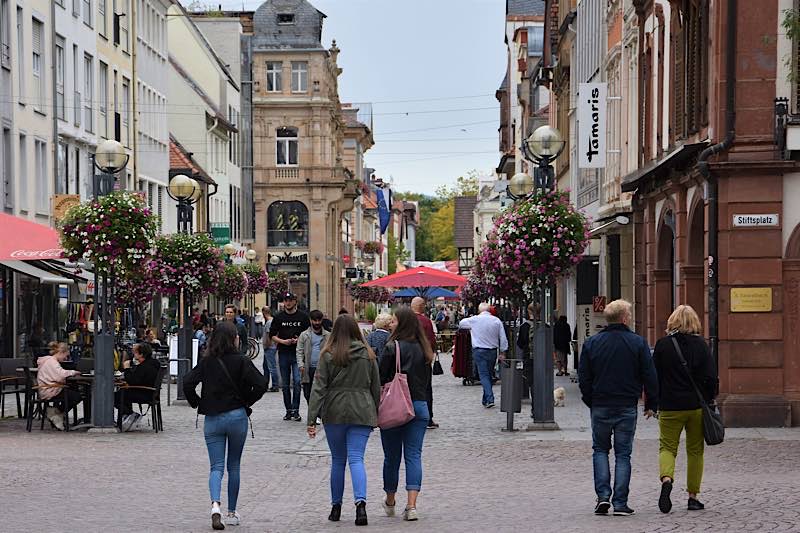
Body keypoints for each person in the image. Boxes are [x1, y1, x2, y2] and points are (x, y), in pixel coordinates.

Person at [578, 299, 659, 517]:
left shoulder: (592, 343)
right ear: (624, 317)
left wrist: (591, 400)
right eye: (630, 314)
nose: (630, 318)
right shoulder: (637, 343)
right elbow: (649, 375)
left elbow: (583, 377)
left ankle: (603, 497)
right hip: (626, 405)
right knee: (623, 454)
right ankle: (620, 502)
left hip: (601, 404)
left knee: (600, 450)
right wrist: (652, 403)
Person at [183, 321, 267, 530]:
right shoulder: (241, 361)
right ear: (234, 339)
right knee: (234, 465)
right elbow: (261, 384)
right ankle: (231, 512)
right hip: (237, 416)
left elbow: (187, 382)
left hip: (212, 418)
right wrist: (247, 400)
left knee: (216, 467)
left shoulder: (207, 361)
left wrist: (197, 402)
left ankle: (214, 506)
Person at [307, 314, 380, 526]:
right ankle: (361, 505)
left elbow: (318, 388)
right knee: (356, 458)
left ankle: (336, 507)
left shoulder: (328, 354)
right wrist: (374, 412)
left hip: (335, 410)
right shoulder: (368, 354)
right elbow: (375, 387)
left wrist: (312, 419)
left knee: (338, 460)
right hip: (362, 408)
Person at [652, 305, 717, 514]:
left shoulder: (662, 345)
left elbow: (654, 378)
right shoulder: (702, 346)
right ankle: (692, 497)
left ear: (673, 321)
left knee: (667, 448)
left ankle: (667, 479)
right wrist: (709, 399)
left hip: (670, 406)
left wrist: (653, 403)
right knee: (695, 451)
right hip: (696, 406)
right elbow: (711, 378)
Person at [379, 307, 434, 522]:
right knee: (414, 456)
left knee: (391, 457)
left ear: (401, 324)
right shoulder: (424, 349)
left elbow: (382, 377)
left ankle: (391, 501)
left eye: (393, 321)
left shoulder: (393, 347)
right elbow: (426, 381)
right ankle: (411, 506)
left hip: (396, 405)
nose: (390, 324)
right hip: (419, 406)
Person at [458, 302, 508, 409]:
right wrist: (503, 351)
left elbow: (461, 323)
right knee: (488, 374)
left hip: (479, 350)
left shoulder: (474, 320)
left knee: (484, 375)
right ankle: (485, 399)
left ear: (479, 311)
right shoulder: (496, 320)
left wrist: (471, 320)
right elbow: (502, 338)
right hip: (492, 351)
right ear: (489, 310)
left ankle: (489, 398)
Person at [269, 292, 310, 421]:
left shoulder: (303, 317)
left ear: (295, 301)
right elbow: (272, 335)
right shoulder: (279, 317)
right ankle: (288, 410)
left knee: (298, 382)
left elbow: (309, 333)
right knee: (285, 384)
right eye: (286, 300)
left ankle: (296, 410)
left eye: (290, 300)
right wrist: (282, 341)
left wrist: (300, 340)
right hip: (283, 353)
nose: (288, 303)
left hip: (298, 354)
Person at [116, 343, 162, 431]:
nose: (133, 355)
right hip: (151, 393)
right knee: (123, 392)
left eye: (135, 353)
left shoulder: (144, 366)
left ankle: (131, 415)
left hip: (143, 393)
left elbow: (133, 380)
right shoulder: (153, 363)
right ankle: (127, 417)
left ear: (141, 354)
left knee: (116, 396)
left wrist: (127, 368)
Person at [37, 342, 82, 430]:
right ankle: (57, 412)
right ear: (61, 352)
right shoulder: (53, 362)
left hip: (47, 388)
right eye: (66, 355)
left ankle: (57, 413)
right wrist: (73, 372)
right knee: (77, 396)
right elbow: (60, 374)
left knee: (73, 393)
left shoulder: (48, 360)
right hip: (51, 390)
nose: (66, 358)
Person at [410, 297, 438, 429]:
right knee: (426, 388)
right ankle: (428, 418)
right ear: (422, 307)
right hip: (423, 360)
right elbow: (432, 341)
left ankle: (408, 415)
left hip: (407, 360)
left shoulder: (406, 320)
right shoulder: (426, 321)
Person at [296, 309, 331, 404]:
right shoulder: (304, 335)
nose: (317, 323)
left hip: (322, 368)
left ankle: (319, 415)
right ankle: (313, 414)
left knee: (321, 393)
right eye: (315, 320)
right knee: (307, 393)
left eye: (319, 320)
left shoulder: (328, 336)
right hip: (308, 368)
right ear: (310, 320)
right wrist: (301, 365)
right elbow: (299, 351)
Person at [261, 307, 280, 392]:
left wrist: (267, 345)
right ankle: (265, 384)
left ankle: (275, 385)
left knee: (272, 367)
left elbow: (269, 335)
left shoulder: (269, 322)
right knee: (265, 366)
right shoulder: (272, 320)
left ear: (264, 312)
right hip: (271, 347)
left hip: (269, 347)